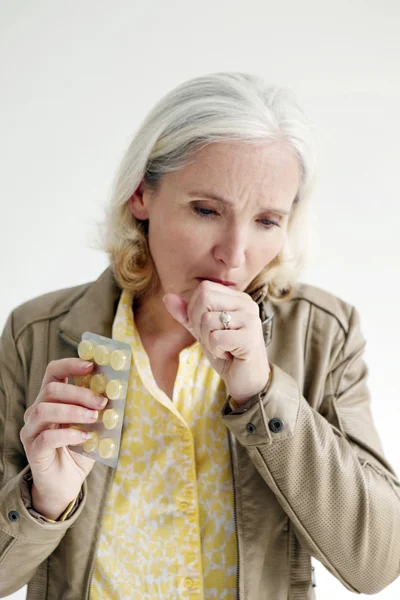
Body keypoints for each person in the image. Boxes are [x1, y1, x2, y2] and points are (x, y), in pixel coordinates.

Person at [0, 72, 399, 600]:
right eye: (207, 210)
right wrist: (42, 500)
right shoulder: (38, 334)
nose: (235, 255)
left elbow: (376, 563)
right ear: (141, 194)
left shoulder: (323, 335)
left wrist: (260, 390)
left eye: (266, 220)